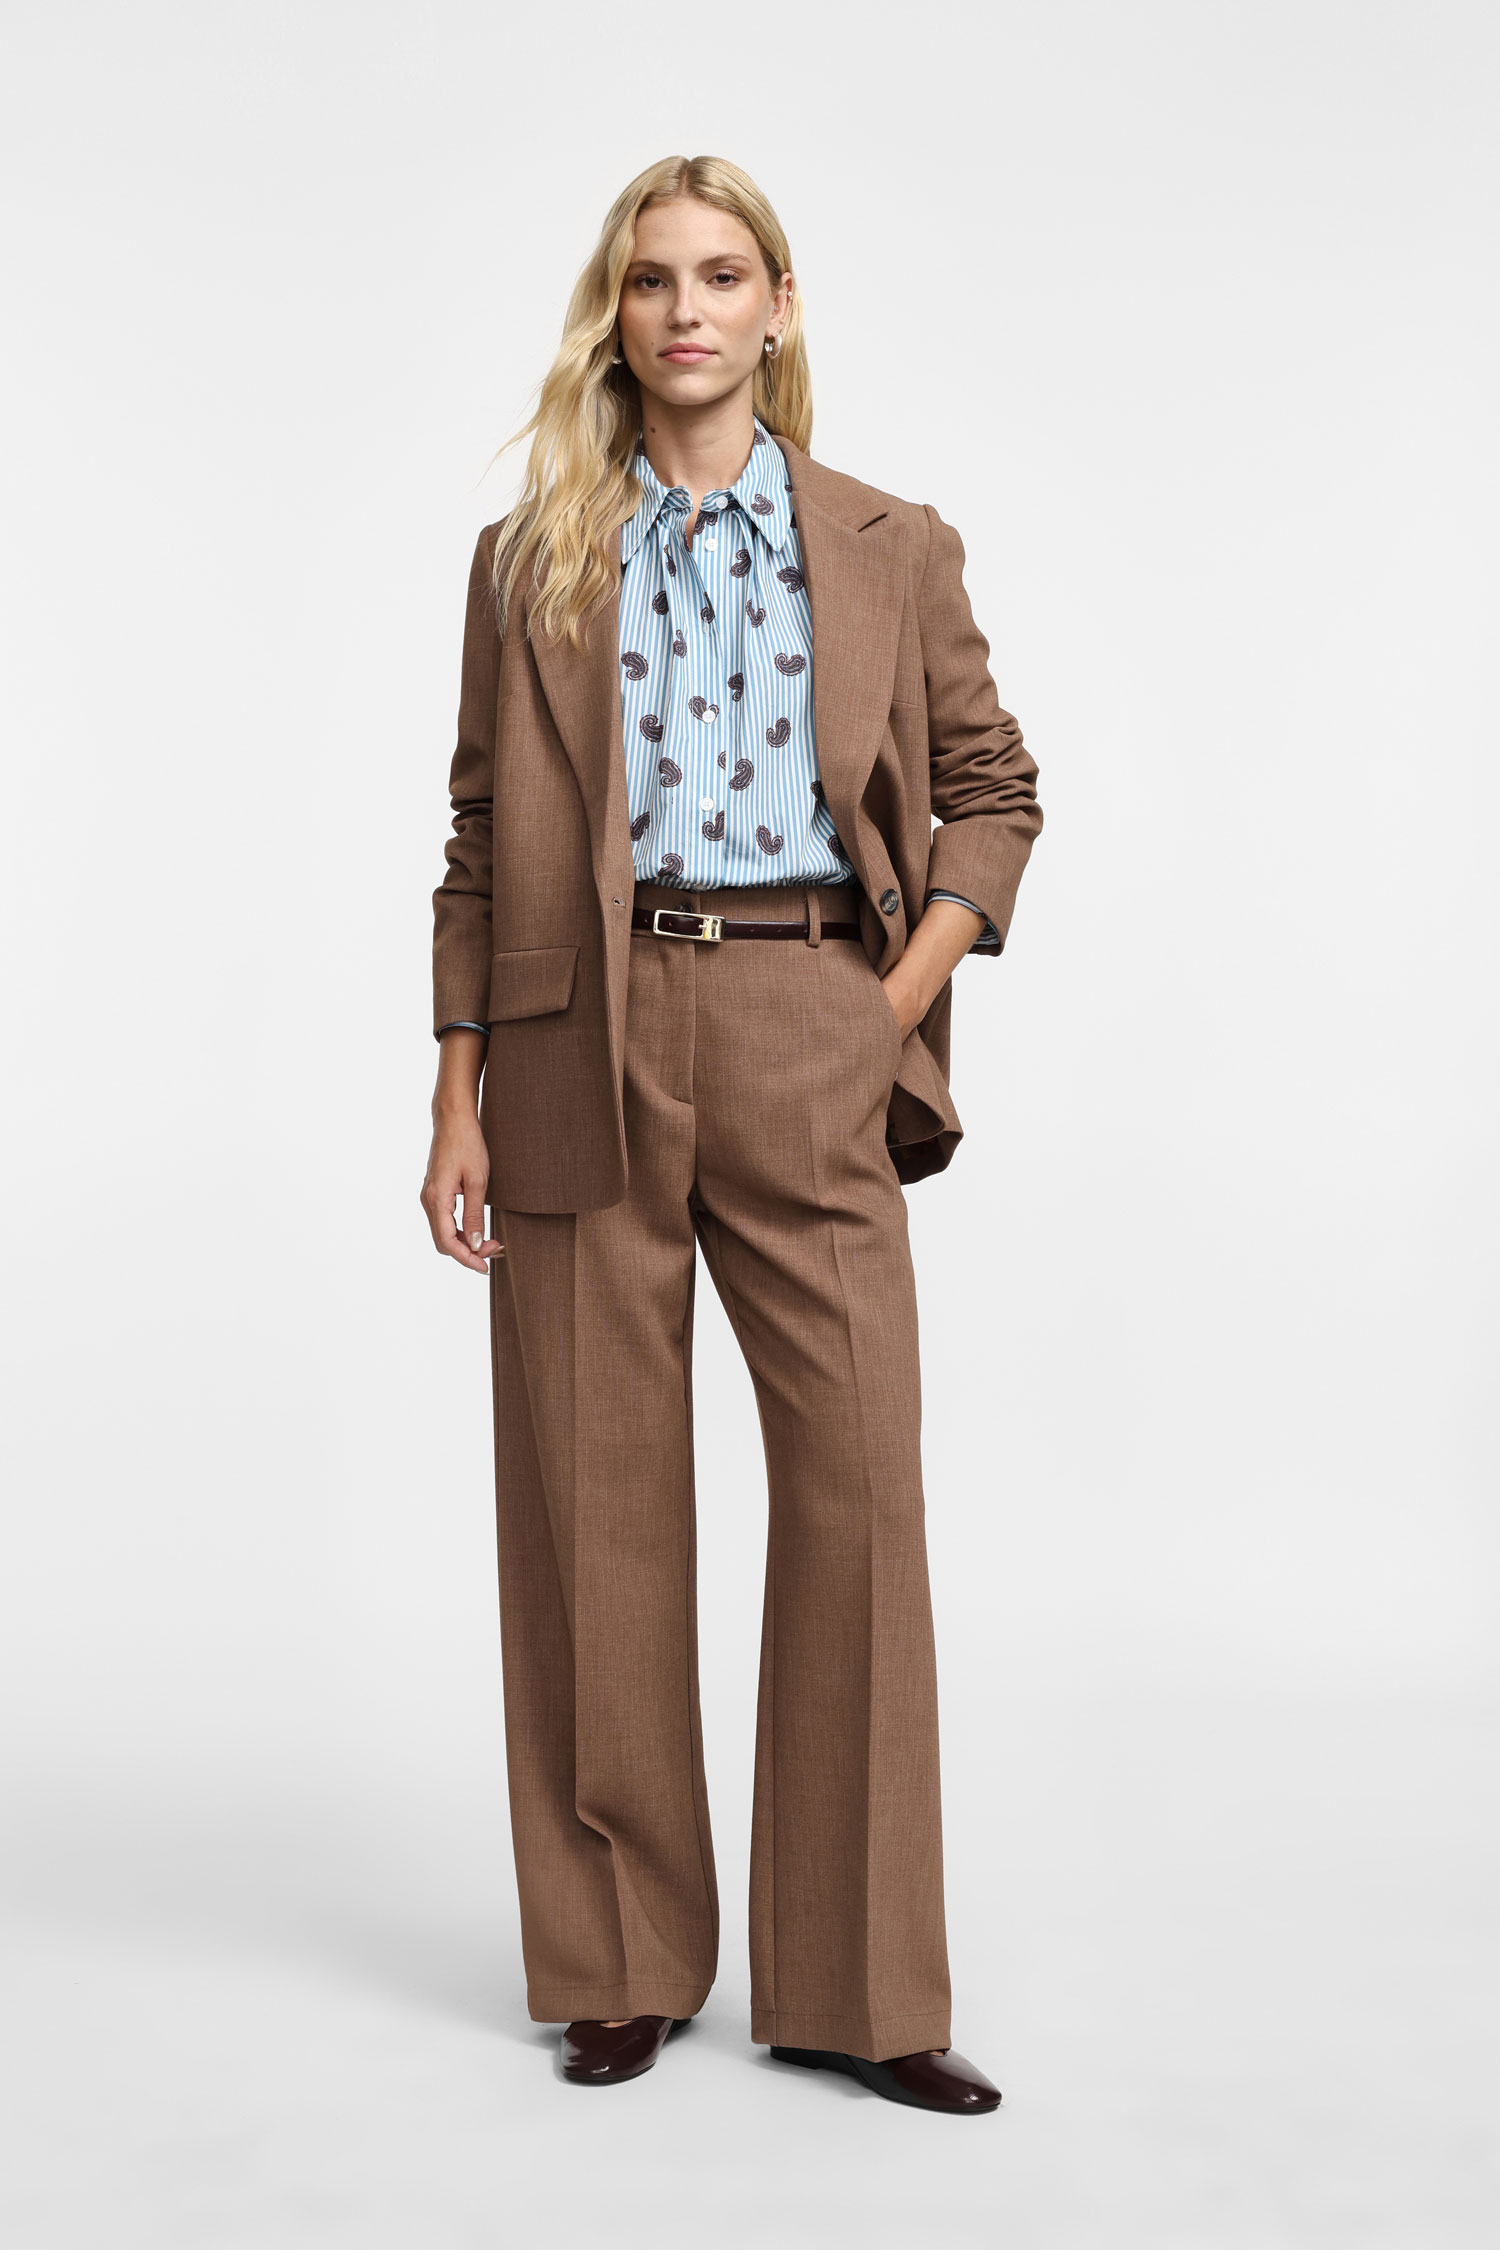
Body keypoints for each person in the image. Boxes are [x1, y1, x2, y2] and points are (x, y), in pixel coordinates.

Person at [420, 154, 1041, 2115]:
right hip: (574, 1033)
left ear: (777, 304)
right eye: (649, 279)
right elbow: (475, 840)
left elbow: (992, 789)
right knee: (591, 1503)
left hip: (809, 1010)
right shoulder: (531, 557)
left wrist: (888, 1003)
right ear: (615, 317)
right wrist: (455, 1087)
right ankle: (619, 1960)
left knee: (857, 1492)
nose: (684, 310)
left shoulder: (889, 542)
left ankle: (862, 1985)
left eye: (720, 274)